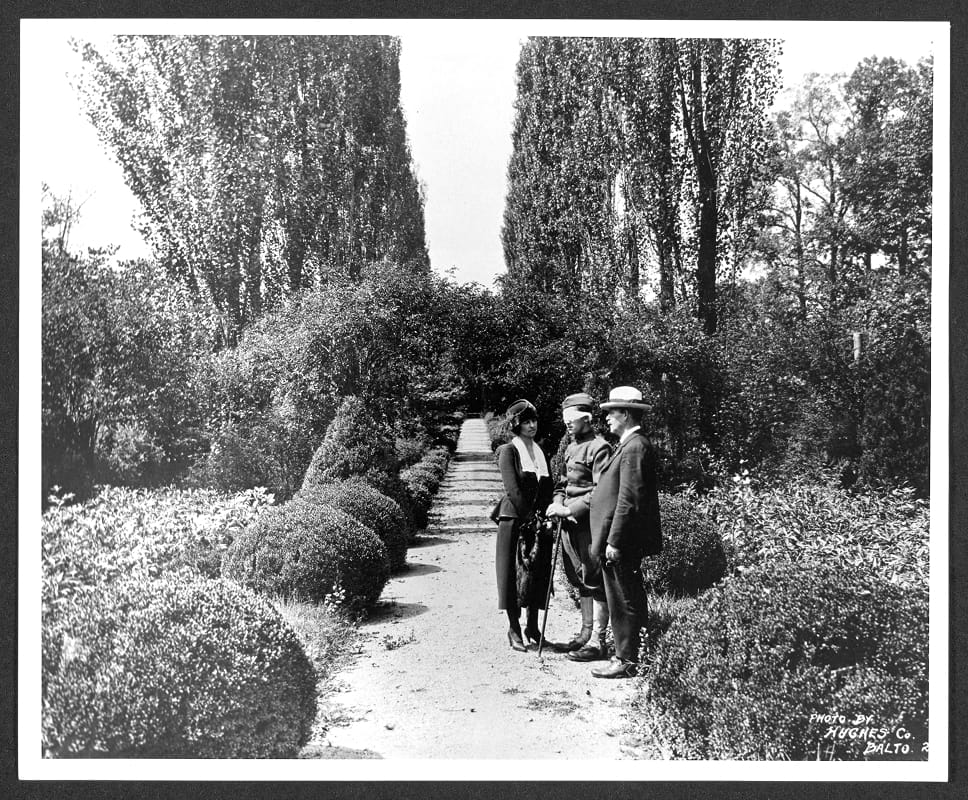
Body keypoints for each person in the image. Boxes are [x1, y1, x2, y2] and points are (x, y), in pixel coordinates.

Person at [588, 386, 662, 679]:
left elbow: (629, 499)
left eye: (612, 412)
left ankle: (627, 660)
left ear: (627, 414)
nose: (607, 418)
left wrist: (615, 540)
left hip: (623, 540)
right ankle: (632, 655)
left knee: (623, 599)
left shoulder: (635, 447)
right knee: (624, 595)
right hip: (619, 538)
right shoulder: (629, 444)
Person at [545, 393, 612, 662]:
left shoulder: (600, 448)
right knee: (578, 577)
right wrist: (557, 503)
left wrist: (570, 509)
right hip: (568, 526)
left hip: (588, 525)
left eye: (571, 419)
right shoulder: (571, 448)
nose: (567, 424)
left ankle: (598, 640)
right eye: (565, 420)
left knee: (594, 578)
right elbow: (562, 484)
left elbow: (601, 491)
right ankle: (585, 634)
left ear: (587, 418)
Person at [493, 399, 554, 652]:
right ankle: (514, 628)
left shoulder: (541, 452)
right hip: (515, 520)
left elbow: (548, 488)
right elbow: (513, 490)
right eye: (526, 422)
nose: (532, 426)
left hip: (538, 522)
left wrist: (546, 516)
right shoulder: (509, 451)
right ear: (517, 425)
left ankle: (533, 627)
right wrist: (530, 518)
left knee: (538, 573)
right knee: (512, 574)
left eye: (534, 420)